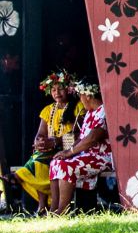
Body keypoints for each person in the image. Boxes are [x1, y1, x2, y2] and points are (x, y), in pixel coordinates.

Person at [10, 71, 84, 214]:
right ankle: (42, 205)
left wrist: (57, 142)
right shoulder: (48, 110)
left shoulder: (78, 107)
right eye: (54, 90)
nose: (57, 93)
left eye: (60, 89)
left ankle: (18, 177)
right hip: (51, 150)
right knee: (38, 158)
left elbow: (81, 134)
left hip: (71, 149)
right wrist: (39, 142)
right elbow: (40, 134)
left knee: (39, 161)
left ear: (69, 89)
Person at [47, 81, 111, 215]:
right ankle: (53, 210)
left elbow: (93, 138)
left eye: (81, 96)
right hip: (86, 155)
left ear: (88, 96)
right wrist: (66, 152)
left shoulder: (104, 111)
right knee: (56, 162)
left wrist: (70, 152)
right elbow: (82, 139)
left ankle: (62, 211)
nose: (81, 100)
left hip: (101, 156)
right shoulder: (90, 113)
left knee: (67, 166)